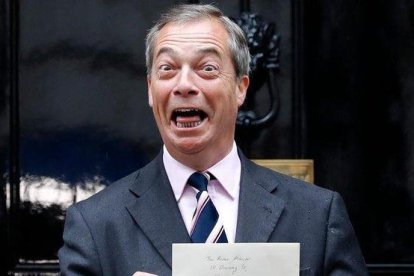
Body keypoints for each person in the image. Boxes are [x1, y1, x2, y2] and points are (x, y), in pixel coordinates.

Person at [59, 4, 368, 275]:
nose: (184, 84)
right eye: (167, 69)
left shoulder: (317, 214)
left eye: (206, 68)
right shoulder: (95, 224)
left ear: (240, 88)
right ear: (151, 89)